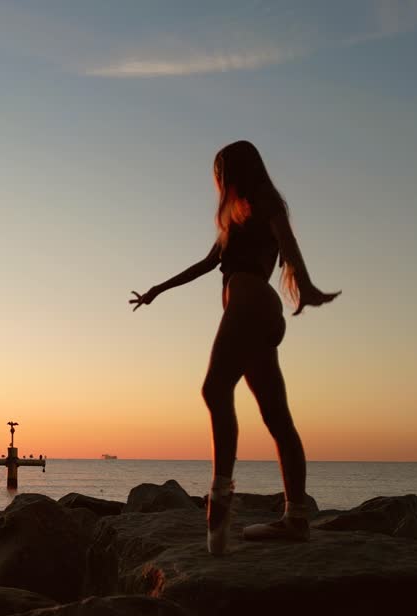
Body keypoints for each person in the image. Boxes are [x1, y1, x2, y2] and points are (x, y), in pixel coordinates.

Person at [130, 141, 339, 555]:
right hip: (258, 310)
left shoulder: (262, 200)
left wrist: (308, 285)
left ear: (233, 171)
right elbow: (207, 264)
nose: (218, 179)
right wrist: (158, 289)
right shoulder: (232, 217)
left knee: (214, 389)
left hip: (249, 302)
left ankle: (220, 501)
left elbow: (287, 239)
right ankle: (296, 518)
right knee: (277, 417)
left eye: (220, 171)